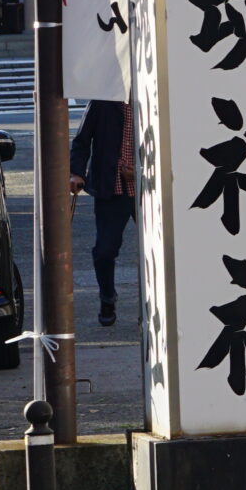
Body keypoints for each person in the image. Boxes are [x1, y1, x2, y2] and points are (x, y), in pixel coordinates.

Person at [69, 99, 136, 327]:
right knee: (105, 251)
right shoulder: (103, 99)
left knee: (166, 248)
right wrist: (76, 173)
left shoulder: (154, 97)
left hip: (150, 188)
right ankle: (107, 297)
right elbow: (82, 139)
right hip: (113, 188)